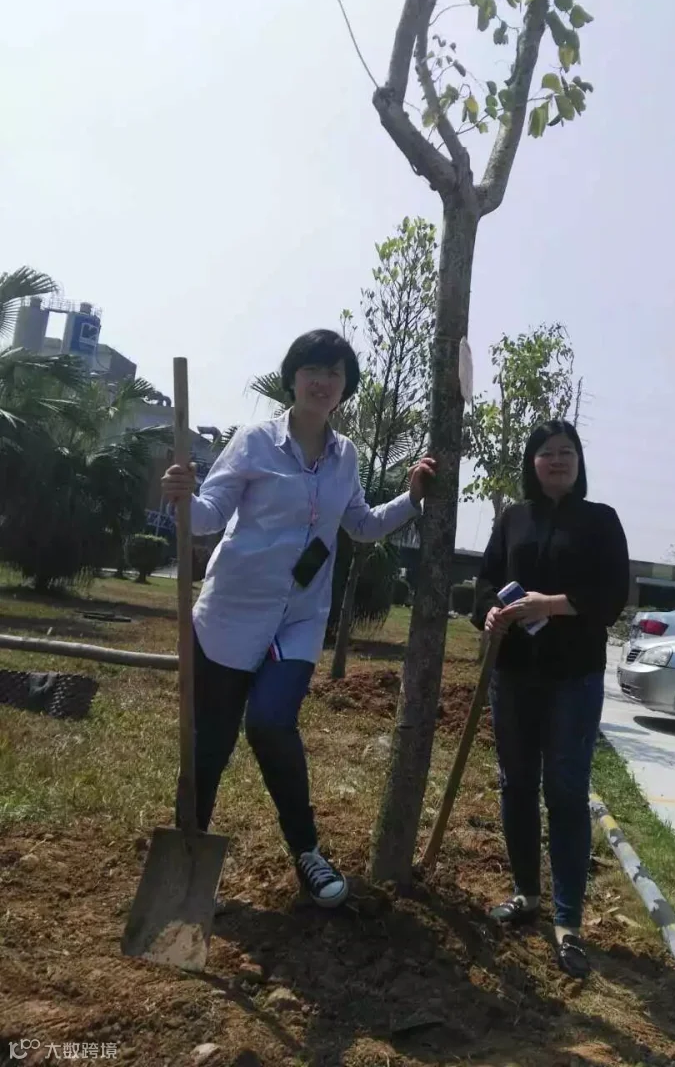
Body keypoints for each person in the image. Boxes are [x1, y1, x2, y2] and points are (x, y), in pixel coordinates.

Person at [161, 329, 435, 909]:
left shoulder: (347, 455)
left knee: (269, 721)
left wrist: (411, 499)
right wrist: (184, 495)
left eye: (335, 372)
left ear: (345, 387)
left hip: (300, 620)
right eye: (313, 369)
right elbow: (209, 516)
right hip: (231, 614)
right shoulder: (254, 442)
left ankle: (307, 852)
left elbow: (360, 524)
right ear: (293, 377)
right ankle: (185, 859)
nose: (322, 381)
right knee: (210, 746)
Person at [472, 419, 629, 979]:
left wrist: (551, 605)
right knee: (516, 784)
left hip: (573, 677)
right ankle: (526, 894)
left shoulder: (600, 521)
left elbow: (612, 595)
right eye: (546, 452)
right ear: (531, 462)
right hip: (514, 672)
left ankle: (568, 921)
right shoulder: (513, 518)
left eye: (566, 452)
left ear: (579, 462)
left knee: (564, 791)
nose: (557, 460)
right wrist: (490, 612)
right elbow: (485, 582)